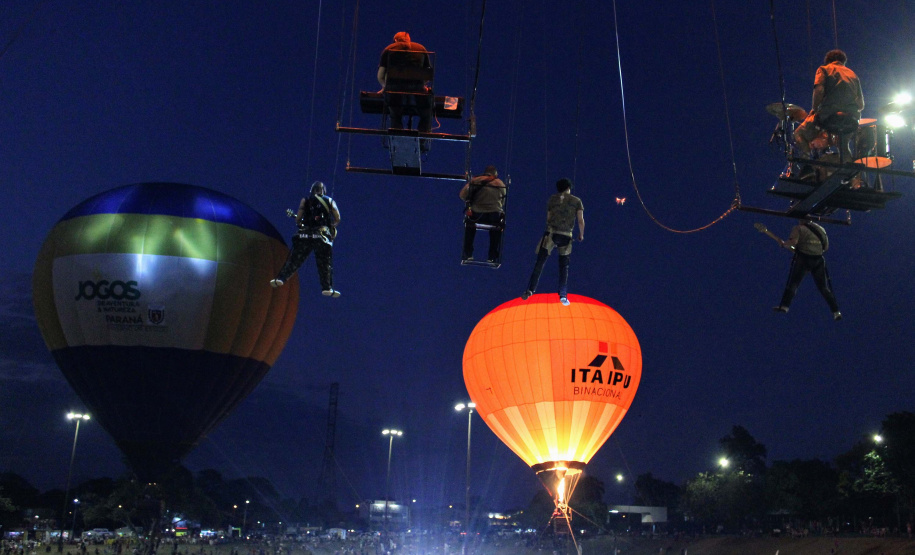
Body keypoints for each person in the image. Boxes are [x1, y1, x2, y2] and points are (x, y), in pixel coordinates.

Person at [270, 181, 341, 297]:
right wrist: (331, 225)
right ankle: (327, 288)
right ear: (324, 191)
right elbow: (338, 218)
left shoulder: (305, 200)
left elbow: (298, 219)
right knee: (324, 263)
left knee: (295, 259)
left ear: (312, 190)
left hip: (305, 235)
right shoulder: (330, 201)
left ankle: (281, 278)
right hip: (322, 236)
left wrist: (300, 223)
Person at [521, 178, 584, 306]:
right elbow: (580, 220)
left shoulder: (552, 199)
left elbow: (548, 218)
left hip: (551, 234)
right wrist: (581, 234)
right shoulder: (576, 201)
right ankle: (563, 295)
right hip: (566, 235)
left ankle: (530, 289)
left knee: (540, 262)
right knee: (564, 267)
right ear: (568, 188)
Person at [794, 49, 865, 159]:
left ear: (828, 61)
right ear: (843, 61)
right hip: (852, 118)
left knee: (798, 134)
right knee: (843, 145)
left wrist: (815, 108)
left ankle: (807, 165)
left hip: (829, 114)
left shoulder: (824, 69)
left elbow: (819, 90)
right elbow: (861, 105)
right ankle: (849, 171)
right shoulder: (853, 75)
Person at [773, 220, 841, 320]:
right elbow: (825, 247)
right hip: (818, 260)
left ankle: (784, 306)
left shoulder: (798, 228)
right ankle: (836, 311)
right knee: (823, 288)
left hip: (804, 259)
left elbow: (793, 242)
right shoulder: (821, 229)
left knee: (794, 283)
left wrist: (784, 244)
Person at [377, 31, 433, 132]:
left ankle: (397, 134)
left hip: (394, 89)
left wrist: (385, 87)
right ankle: (423, 139)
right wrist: (422, 85)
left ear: (395, 40)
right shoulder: (421, 48)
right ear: (409, 39)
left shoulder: (388, 49)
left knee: (395, 115)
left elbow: (380, 76)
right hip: (417, 88)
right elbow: (428, 74)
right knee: (426, 114)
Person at [460, 165, 506, 263]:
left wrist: (470, 201)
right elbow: (503, 202)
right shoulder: (500, 183)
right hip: (494, 216)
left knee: (470, 226)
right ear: (495, 174)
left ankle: (468, 254)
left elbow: (462, 195)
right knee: (496, 229)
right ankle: (492, 256)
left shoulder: (475, 180)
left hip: (477, 214)